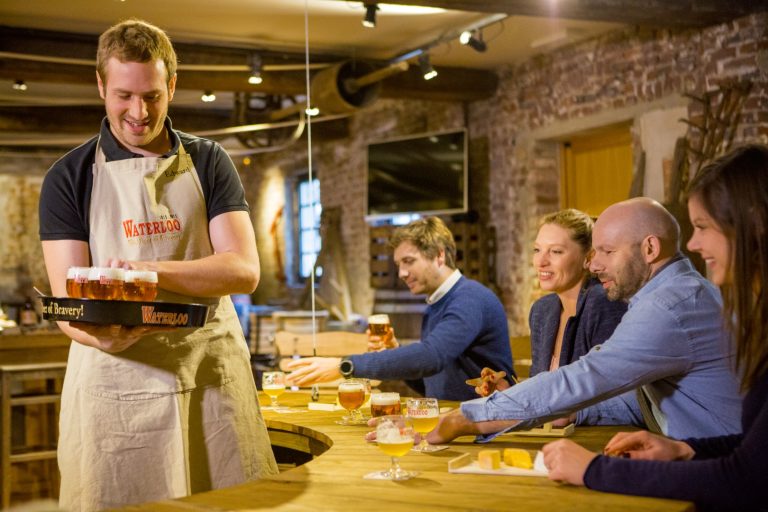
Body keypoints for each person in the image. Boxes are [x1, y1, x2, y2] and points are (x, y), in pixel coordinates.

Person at [38, 19, 278, 511]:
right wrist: (96, 334)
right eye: (124, 95)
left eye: (151, 96)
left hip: (210, 375)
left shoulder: (209, 160)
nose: (138, 112)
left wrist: (144, 273)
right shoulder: (69, 176)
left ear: (172, 85)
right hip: (115, 382)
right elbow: (70, 297)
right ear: (101, 85)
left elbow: (243, 271)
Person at [541, 144, 768, 511]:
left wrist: (596, 469)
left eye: (703, 227)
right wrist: (685, 449)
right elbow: (755, 451)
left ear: (755, 224)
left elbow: (747, 478)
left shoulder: (669, 304)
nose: (692, 244)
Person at [427, 197, 742, 444]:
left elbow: (584, 378)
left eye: (606, 251)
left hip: (729, 475)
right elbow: (653, 402)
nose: (596, 265)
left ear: (649, 248)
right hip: (714, 456)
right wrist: (577, 410)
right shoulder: (682, 293)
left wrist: (464, 418)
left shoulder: (667, 306)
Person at [286, 216, 513, 401]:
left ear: (439, 256)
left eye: (409, 261)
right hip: (455, 422)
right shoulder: (437, 303)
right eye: (398, 265)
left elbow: (431, 357)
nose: (401, 273)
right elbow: (430, 385)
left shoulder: (469, 299)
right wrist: (393, 351)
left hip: (484, 432)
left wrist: (345, 365)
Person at [476, 209, 638, 427]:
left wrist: (569, 413)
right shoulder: (542, 310)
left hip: (599, 439)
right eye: (537, 250)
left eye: (556, 252)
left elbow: (619, 393)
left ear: (588, 258)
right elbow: (544, 390)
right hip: (555, 439)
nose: (541, 261)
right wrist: (509, 392)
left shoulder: (602, 302)